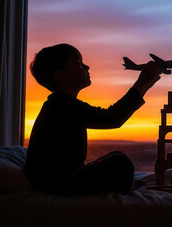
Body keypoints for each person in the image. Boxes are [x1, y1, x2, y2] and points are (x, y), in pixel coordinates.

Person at [24, 43, 161, 195]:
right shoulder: (63, 105)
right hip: (57, 183)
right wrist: (142, 83)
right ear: (61, 75)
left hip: (60, 179)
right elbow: (112, 118)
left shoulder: (60, 104)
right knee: (120, 163)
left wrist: (146, 84)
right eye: (79, 63)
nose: (87, 67)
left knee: (117, 157)